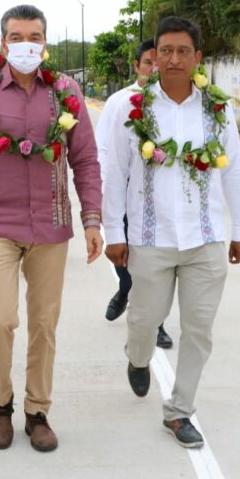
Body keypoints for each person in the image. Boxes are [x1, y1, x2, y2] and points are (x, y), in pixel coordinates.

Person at [0, 4, 103, 453]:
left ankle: (37, 411)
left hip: (52, 227)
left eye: (33, 36)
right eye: (16, 37)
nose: (25, 45)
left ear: (45, 43)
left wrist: (91, 218)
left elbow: (86, 161)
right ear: (3, 44)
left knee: (43, 323)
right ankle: (2, 403)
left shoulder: (65, 93)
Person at [103, 16, 240, 449]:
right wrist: (115, 231)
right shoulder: (132, 108)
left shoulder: (217, 108)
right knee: (144, 321)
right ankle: (137, 359)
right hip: (150, 238)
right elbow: (116, 173)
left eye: (182, 51)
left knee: (199, 330)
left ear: (198, 58)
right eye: (164, 50)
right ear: (153, 57)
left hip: (205, 238)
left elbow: (235, 170)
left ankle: (179, 410)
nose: (172, 58)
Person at [95, 39, 172, 349]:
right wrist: (104, 191)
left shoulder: (174, 102)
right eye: (147, 64)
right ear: (137, 67)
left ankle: (158, 325)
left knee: (154, 265)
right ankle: (126, 288)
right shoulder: (119, 101)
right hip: (124, 194)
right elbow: (103, 149)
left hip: (158, 198)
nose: (153, 70)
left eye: (158, 63)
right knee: (123, 254)